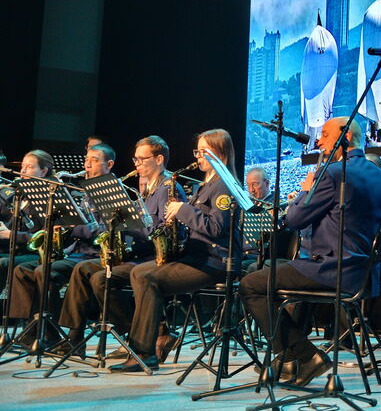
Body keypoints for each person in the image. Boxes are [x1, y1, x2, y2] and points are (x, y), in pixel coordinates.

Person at [239, 117, 381, 387]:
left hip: (332, 270)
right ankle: (289, 358)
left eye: (324, 134)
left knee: (250, 284)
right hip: (363, 273)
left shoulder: (332, 173)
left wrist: (305, 190)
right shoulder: (377, 174)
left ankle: (304, 355)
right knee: (285, 276)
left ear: (345, 138)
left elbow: (295, 219)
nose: (319, 141)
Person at [110, 129, 242, 372]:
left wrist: (182, 210)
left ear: (220, 153)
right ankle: (149, 343)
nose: (198, 157)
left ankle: (144, 352)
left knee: (145, 277)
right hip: (196, 257)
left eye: (203, 152)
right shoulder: (207, 184)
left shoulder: (224, 186)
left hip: (214, 261)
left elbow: (215, 228)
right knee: (139, 273)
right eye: (197, 151)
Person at [58, 136, 182, 360]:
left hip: (152, 258)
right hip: (136, 254)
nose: (137, 164)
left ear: (159, 159)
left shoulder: (167, 188)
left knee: (100, 279)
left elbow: (161, 231)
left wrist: (128, 224)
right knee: (83, 269)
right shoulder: (148, 189)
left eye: (142, 159)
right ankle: (74, 338)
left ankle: (137, 335)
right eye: (135, 159)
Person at [9, 145, 111, 335]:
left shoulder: (109, 193)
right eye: (86, 159)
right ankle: (29, 331)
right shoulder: (86, 192)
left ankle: (52, 332)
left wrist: (73, 227)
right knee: (23, 271)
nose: (88, 164)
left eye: (94, 160)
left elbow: (103, 232)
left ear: (109, 165)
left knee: (44, 271)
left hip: (94, 255)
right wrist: (62, 227)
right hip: (74, 252)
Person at [0, 151, 50, 275]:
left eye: (30, 167)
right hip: (12, 251)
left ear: (43, 171)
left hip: (34, 254)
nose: (23, 171)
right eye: (23, 166)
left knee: (2, 263)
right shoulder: (18, 194)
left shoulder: (48, 199)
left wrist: (11, 235)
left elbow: (45, 238)